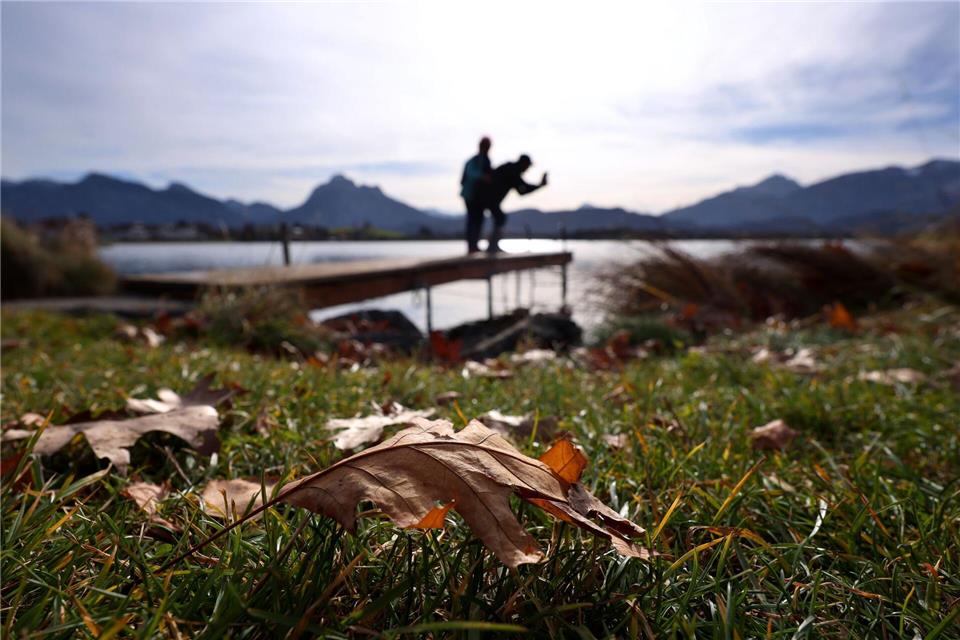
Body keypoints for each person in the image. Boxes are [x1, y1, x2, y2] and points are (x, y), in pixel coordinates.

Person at [477, 154, 547, 253]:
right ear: (523, 164)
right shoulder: (513, 171)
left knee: (499, 218)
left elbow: (522, 190)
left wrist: (539, 186)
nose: (527, 169)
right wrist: (539, 186)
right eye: (527, 166)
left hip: (486, 197)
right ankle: (492, 248)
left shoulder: (512, 169)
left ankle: (492, 247)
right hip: (485, 196)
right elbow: (522, 190)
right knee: (499, 218)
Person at [460, 136, 493, 253]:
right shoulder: (475, 160)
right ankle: (471, 247)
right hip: (471, 195)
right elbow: (470, 173)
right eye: (486, 146)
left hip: (479, 197)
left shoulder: (485, 160)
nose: (487, 148)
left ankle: (474, 246)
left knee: (478, 219)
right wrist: (482, 176)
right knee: (473, 220)